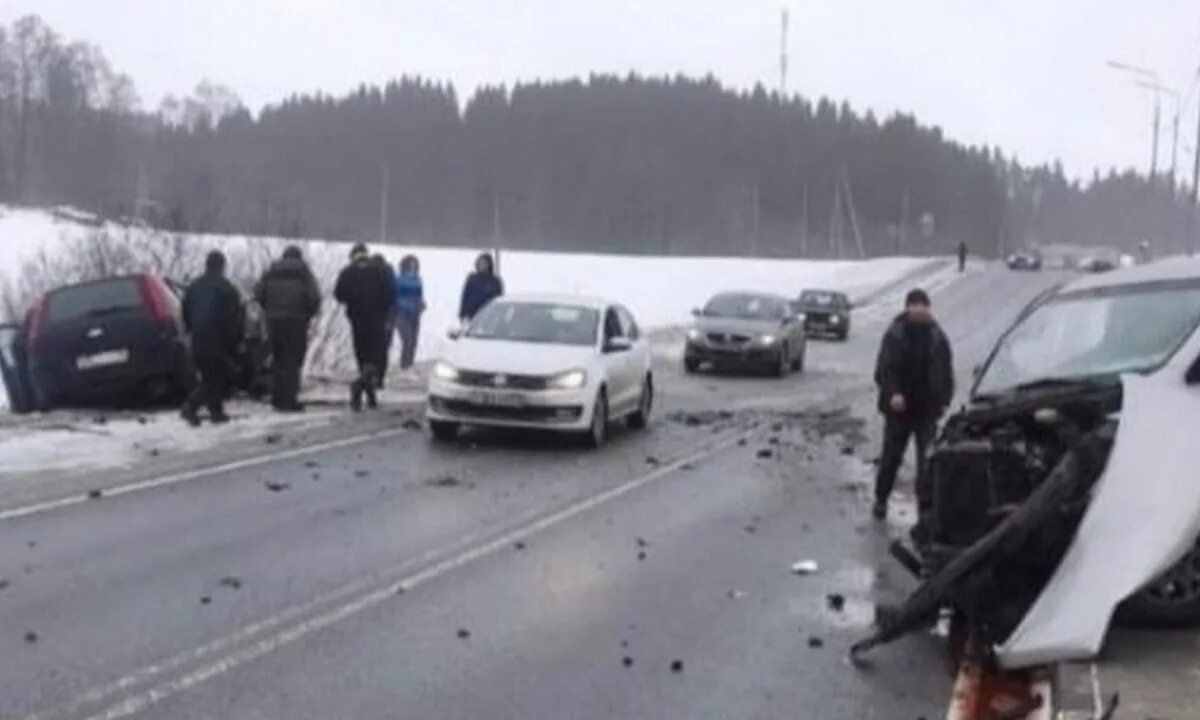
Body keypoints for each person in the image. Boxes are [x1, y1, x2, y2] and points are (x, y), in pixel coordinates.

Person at [872, 288, 954, 522]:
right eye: (915, 306)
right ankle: (880, 499)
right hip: (899, 410)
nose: (919, 310)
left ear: (928, 308)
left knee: (927, 464)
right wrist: (893, 393)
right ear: (907, 308)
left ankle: (926, 511)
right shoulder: (895, 335)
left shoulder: (938, 337)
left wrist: (945, 400)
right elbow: (884, 370)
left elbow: (946, 371)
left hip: (927, 411)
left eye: (923, 306)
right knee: (891, 458)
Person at [180, 251, 245, 425]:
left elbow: (185, 312)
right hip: (217, 339)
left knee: (211, 375)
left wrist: (191, 330)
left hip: (197, 339)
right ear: (222, 267)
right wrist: (236, 343)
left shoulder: (193, 287)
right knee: (218, 377)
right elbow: (234, 319)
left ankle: (216, 411)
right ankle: (191, 406)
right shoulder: (227, 288)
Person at [255, 245, 321, 412]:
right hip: (297, 321)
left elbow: (259, 294)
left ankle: (277, 398)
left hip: (274, 321)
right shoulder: (304, 273)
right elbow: (314, 298)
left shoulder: (271, 271)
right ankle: (289, 400)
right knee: (292, 360)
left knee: (277, 359)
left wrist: (270, 309)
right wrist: (308, 314)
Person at [334, 243, 395, 411]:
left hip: (357, 321)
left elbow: (339, 294)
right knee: (376, 356)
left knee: (362, 356)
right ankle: (364, 387)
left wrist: (353, 299)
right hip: (377, 320)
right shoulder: (380, 271)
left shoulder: (348, 273)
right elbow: (390, 295)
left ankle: (364, 388)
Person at [394, 254, 426, 374]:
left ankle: (410, 364)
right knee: (407, 339)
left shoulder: (418, 279)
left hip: (415, 313)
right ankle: (404, 366)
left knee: (414, 341)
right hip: (402, 313)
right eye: (410, 265)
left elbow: (419, 296)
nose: (413, 268)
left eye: (415, 265)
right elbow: (395, 296)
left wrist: (421, 304)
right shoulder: (398, 279)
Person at [372, 253, 397, 386]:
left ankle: (371, 375)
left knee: (370, 348)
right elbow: (393, 298)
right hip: (387, 317)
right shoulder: (389, 274)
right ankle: (380, 377)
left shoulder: (369, 275)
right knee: (384, 349)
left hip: (371, 317)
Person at [458, 252, 503, 324]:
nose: (482, 265)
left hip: (489, 314)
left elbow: (499, 298)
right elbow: (465, 296)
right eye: (480, 263)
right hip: (473, 313)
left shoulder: (494, 281)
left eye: (485, 263)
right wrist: (462, 314)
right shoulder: (472, 279)